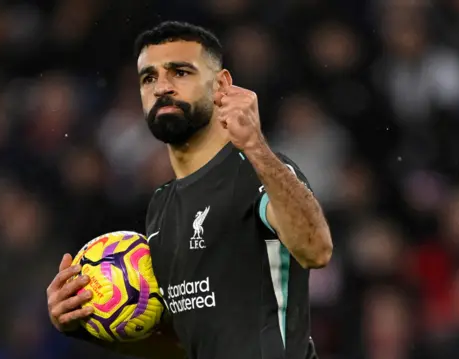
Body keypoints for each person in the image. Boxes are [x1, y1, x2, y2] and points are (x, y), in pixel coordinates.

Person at [46, 21, 333, 359]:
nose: (161, 87)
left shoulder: (258, 171)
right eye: (148, 78)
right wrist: (85, 322)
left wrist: (256, 146)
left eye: (180, 72)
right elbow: (184, 347)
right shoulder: (161, 205)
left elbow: (317, 249)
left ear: (221, 85)